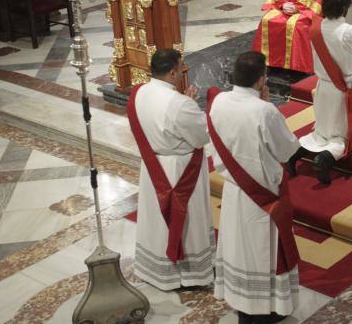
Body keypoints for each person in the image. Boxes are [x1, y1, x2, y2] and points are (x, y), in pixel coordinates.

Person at [208, 51, 301, 322]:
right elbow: (286, 151)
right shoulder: (264, 111)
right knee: (265, 252)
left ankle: (242, 302)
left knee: (239, 248)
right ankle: (266, 309)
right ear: (261, 80)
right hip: (264, 196)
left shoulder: (219, 102)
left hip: (235, 190)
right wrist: (270, 106)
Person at [127, 49, 214, 291]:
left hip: (153, 167)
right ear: (173, 72)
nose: (183, 72)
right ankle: (188, 274)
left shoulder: (139, 92)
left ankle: (155, 268)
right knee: (186, 219)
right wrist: (189, 104)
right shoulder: (179, 104)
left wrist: (184, 103)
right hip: (180, 169)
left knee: (156, 218)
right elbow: (200, 137)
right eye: (181, 68)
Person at [294, 0, 352, 184]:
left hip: (323, 87)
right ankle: (325, 159)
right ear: (345, 9)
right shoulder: (348, 32)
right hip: (344, 90)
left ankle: (296, 154)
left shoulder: (316, 27)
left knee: (323, 131)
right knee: (345, 135)